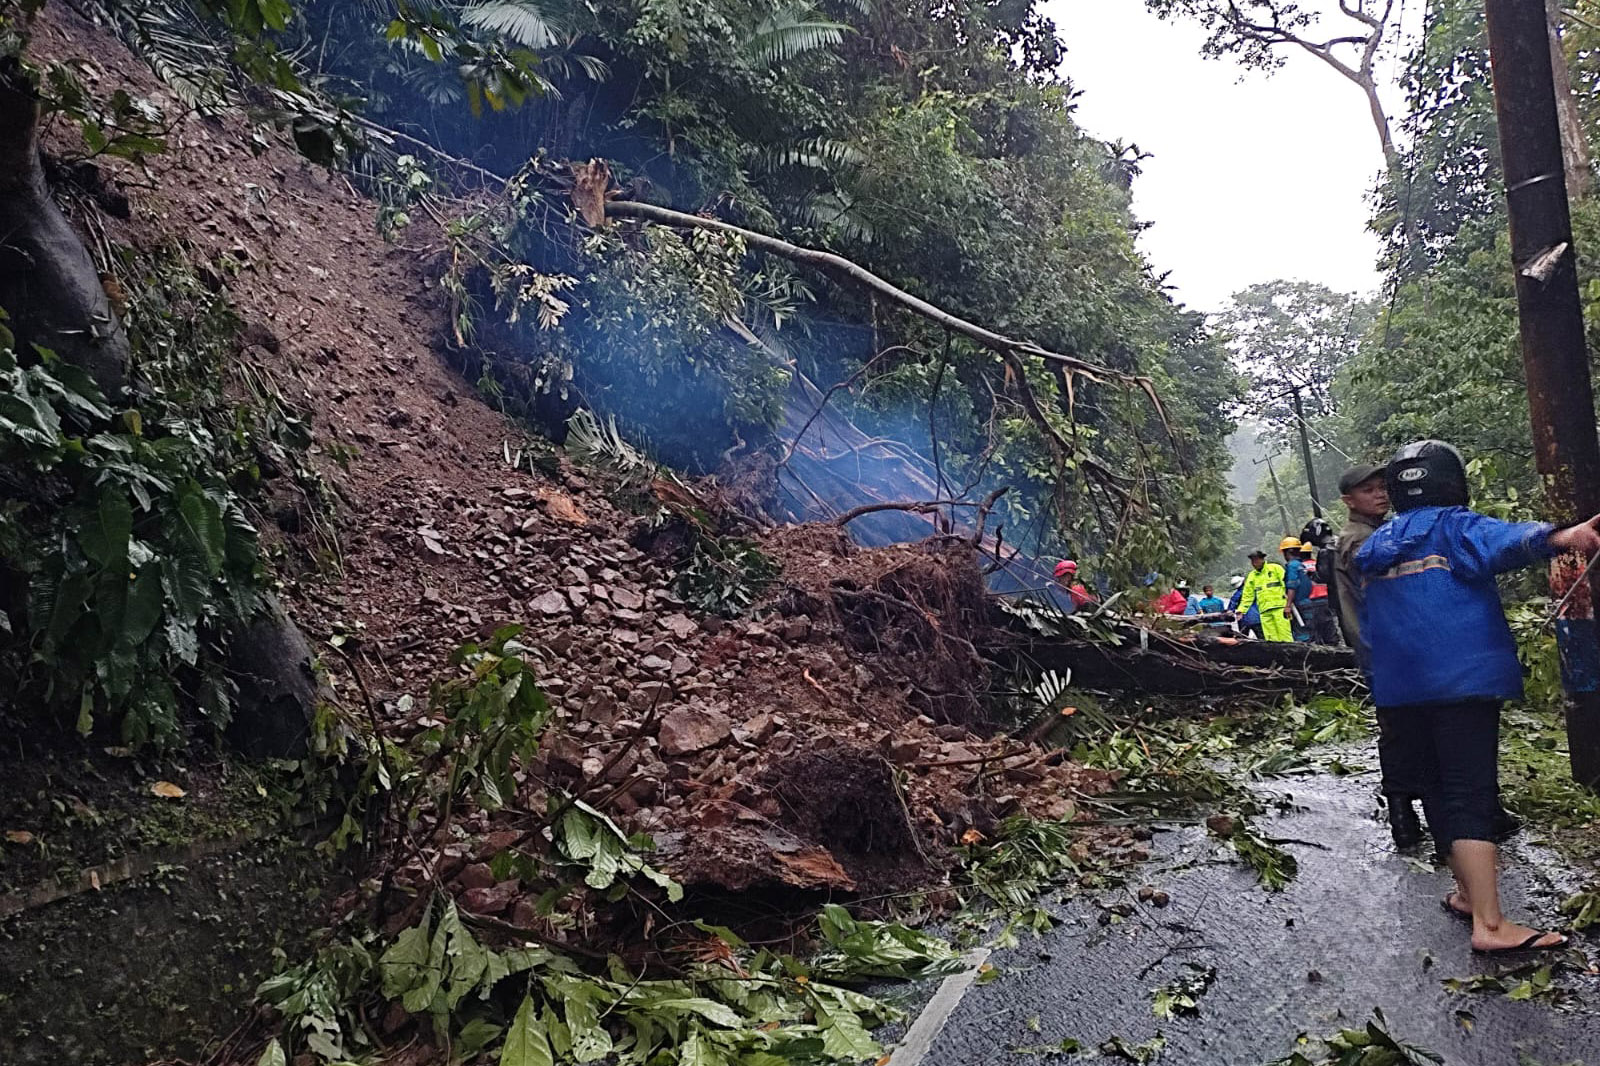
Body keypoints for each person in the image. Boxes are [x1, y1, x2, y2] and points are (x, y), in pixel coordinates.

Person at [1356, 439, 1600, 954]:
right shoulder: (1453, 526)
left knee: (1437, 789)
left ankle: (1468, 895)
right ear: (1452, 481)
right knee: (1470, 792)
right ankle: (1490, 926)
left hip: (1402, 689)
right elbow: (1507, 541)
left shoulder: (1379, 544)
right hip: (1461, 683)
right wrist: (1566, 536)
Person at [1239, 549, 1292, 641]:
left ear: (1262, 559)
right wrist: (1241, 610)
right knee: (1270, 638)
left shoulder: (1275, 568)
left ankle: (1290, 650)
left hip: (1279, 608)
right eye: (1252, 561)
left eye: (1256, 560)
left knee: (1284, 634)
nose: (1254, 563)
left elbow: (1286, 584)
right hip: (1264, 611)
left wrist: (1288, 604)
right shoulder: (1252, 576)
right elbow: (1248, 595)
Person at [1281, 536, 1313, 641]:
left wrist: (1288, 605)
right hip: (1308, 603)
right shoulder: (1301, 565)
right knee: (1311, 632)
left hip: (1299, 605)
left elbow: (1292, 586)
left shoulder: (1292, 566)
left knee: (1302, 635)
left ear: (1288, 552)